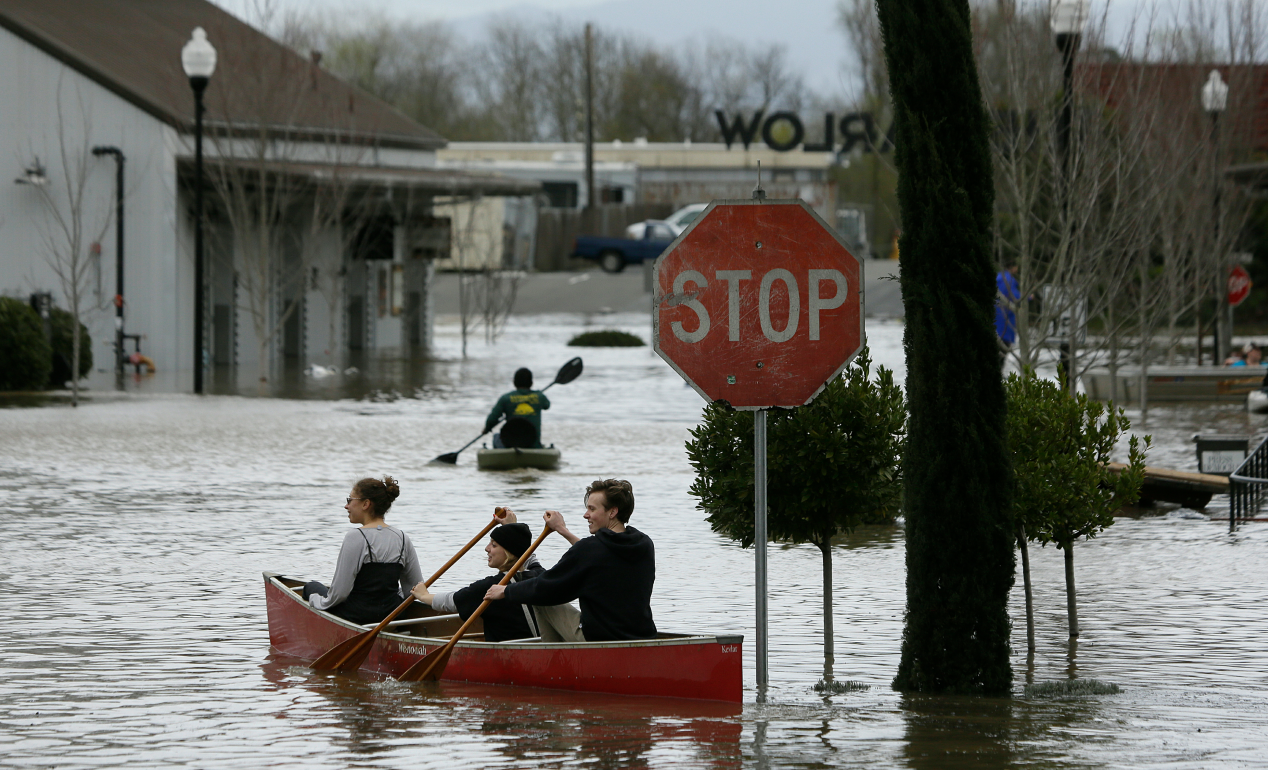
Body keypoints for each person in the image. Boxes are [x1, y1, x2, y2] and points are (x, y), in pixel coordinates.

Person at [484, 479, 656, 642]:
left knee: (538, 597)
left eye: (592, 509)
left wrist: (506, 591)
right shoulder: (644, 544)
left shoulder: (591, 549)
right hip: (642, 634)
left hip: (598, 639)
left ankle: (551, 660)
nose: (585, 515)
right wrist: (561, 530)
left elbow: (548, 587)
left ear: (612, 511)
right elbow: (599, 555)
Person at [303, 476, 423, 625]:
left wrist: (317, 601)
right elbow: (414, 589)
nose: (346, 506)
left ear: (366, 503)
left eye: (350, 500)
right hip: (392, 616)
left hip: (356, 616)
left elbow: (339, 594)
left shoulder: (355, 536)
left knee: (311, 587)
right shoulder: (403, 537)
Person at [410, 522, 543, 642]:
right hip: (541, 650)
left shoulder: (491, 588)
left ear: (509, 552)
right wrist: (511, 526)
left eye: (494, 545)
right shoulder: (540, 576)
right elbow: (528, 556)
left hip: (506, 658)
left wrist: (424, 596)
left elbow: (452, 602)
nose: (487, 548)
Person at [485, 367, 551, 448]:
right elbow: (547, 405)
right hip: (532, 444)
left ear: (514, 382)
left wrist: (487, 429)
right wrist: (537, 395)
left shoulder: (506, 398)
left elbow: (492, 419)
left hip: (510, 444)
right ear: (531, 383)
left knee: (496, 436)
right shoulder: (540, 397)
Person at [995, 262, 1020, 367]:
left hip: (997, 319)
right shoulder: (1008, 280)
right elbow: (1014, 296)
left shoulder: (999, 278)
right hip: (1005, 322)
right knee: (1001, 353)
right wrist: (1028, 297)